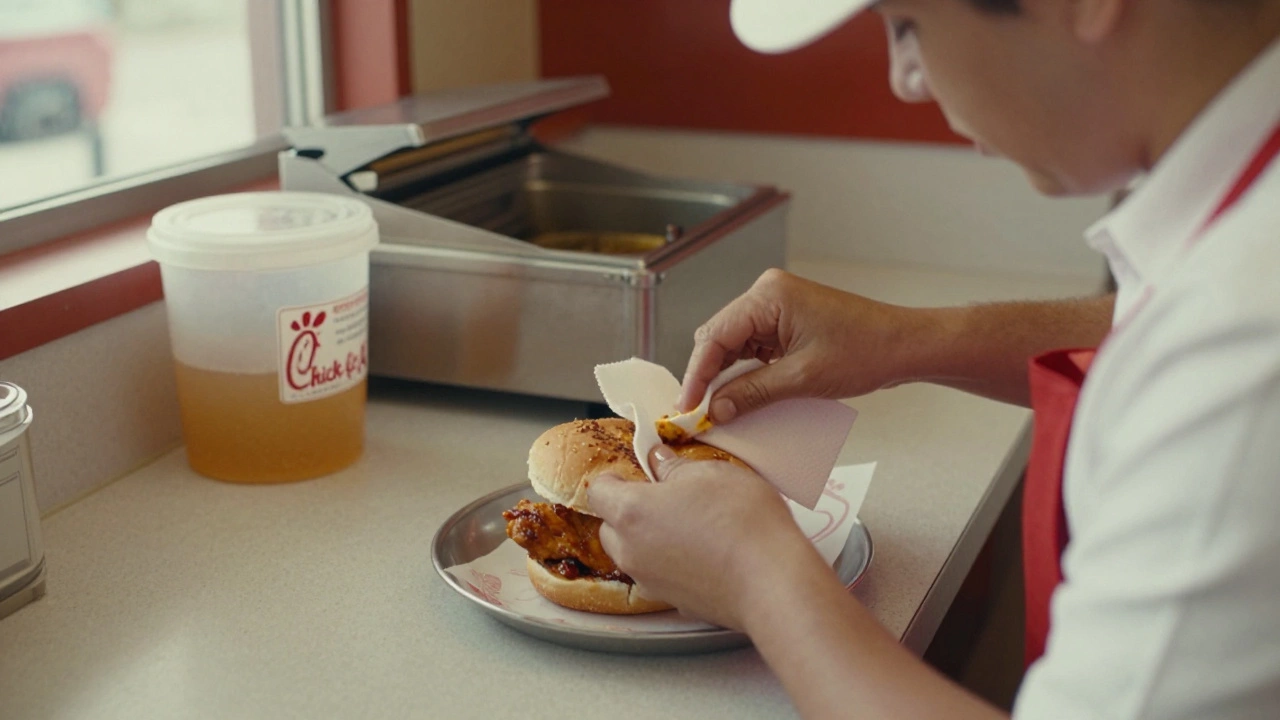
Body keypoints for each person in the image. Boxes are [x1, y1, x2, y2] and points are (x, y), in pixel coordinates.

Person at [585, 0, 1280, 718]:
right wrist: (904, 338)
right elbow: (1154, 333)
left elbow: (1197, 349)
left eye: (908, 23)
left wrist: (757, 574)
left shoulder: (1245, 351)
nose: (905, 78)